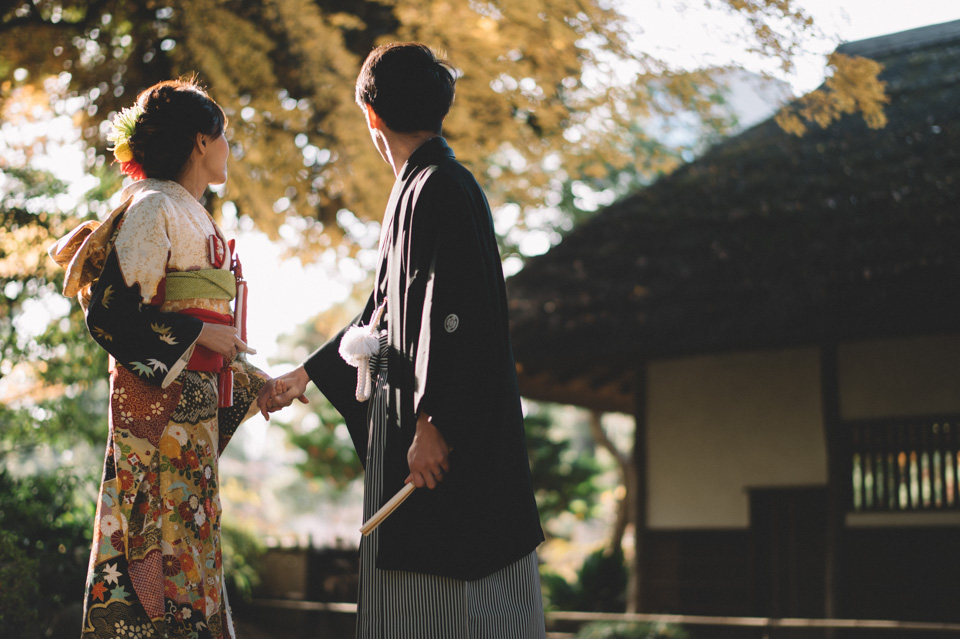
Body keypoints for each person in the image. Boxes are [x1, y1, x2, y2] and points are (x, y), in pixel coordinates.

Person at [261, 43, 546, 638]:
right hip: (421, 433)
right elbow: (382, 314)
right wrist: (306, 375)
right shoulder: (421, 186)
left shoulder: (440, 185)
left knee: (465, 606)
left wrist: (434, 419)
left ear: (372, 114)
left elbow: (453, 313)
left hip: (446, 444)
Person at [48, 78, 267, 639]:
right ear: (201, 141)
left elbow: (212, 338)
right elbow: (112, 317)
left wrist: (255, 383)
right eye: (225, 138)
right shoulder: (153, 207)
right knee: (157, 567)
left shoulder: (191, 211)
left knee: (192, 566)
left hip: (188, 421)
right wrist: (198, 334)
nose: (228, 149)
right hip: (159, 426)